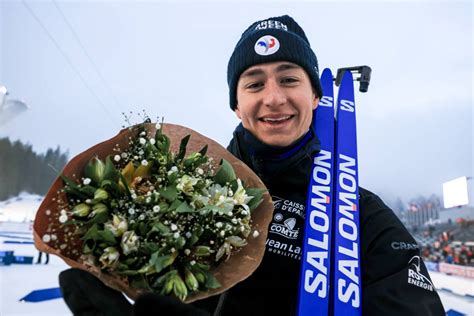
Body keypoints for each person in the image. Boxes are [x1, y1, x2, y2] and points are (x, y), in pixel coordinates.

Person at [59, 15, 445, 315]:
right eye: (255, 84)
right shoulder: (178, 192)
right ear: (236, 105)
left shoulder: (366, 220)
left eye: (289, 79)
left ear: (315, 97)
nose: (274, 98)